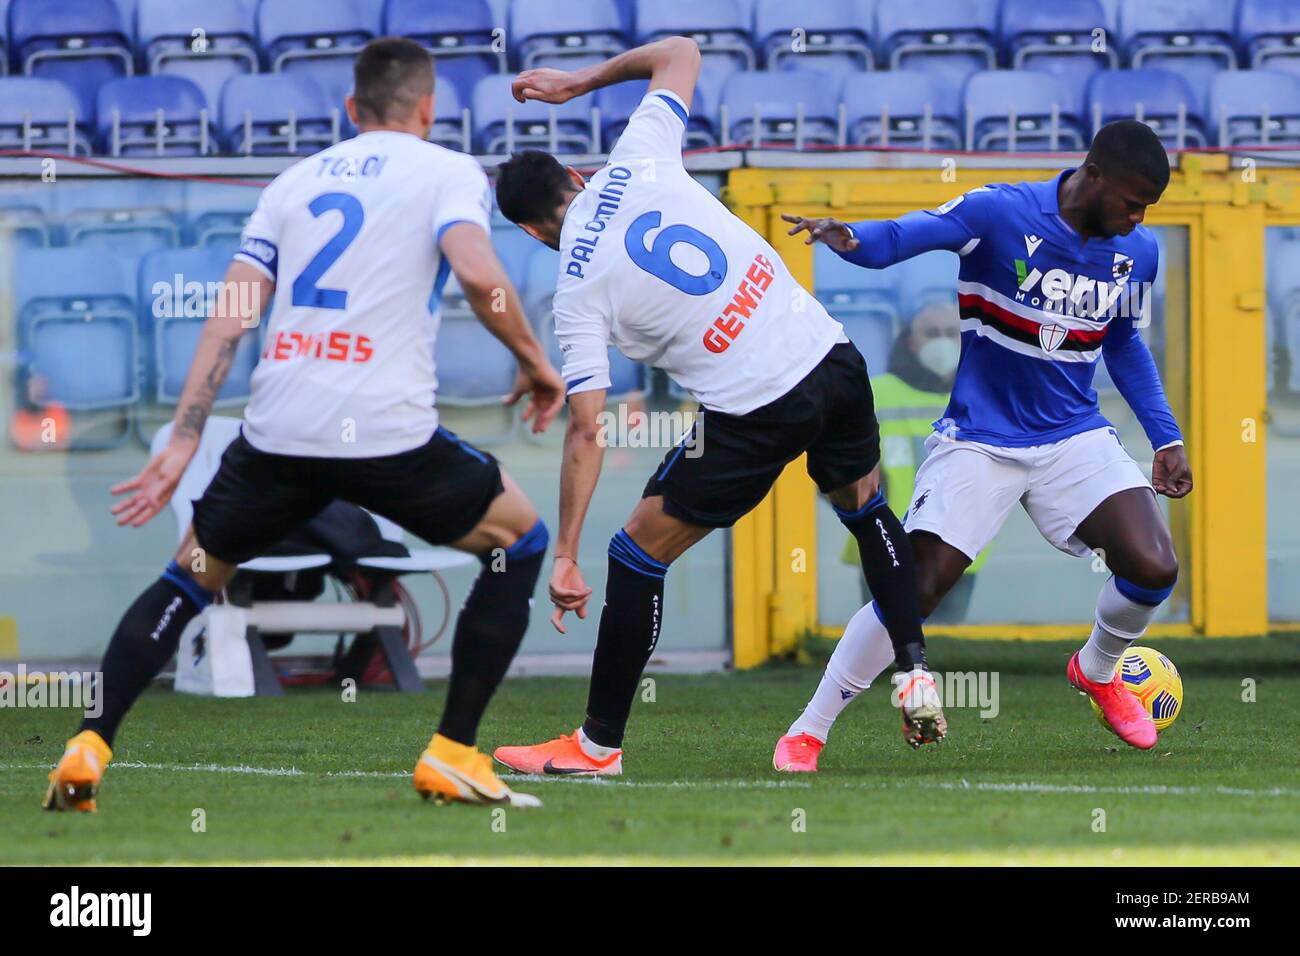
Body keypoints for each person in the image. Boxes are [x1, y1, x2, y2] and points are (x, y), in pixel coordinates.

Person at [43, 38, 565, 812]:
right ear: (428, 109)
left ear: (350, 111)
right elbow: (480, 274)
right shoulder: (449, 170)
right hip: (386, 434)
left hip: (278, 430)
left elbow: (231, 315)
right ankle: (454, 753)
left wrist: (185, 434)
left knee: (190, 576)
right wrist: (533, 360)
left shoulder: (291, 182)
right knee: (519, 542)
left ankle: (87, 746)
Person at [488, 36, 944, 779]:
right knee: (866, 510)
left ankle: (596, 747)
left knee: (635, 552)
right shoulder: (638, 154)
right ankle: (916, 668)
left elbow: (586, 425)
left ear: (533, 232)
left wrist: (565, 551)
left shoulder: (574, 288)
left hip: (757, 408)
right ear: (575, 174)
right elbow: (681, 50)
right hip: (831, 358)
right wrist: (580, 83)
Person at [777, 120, 1193, 770]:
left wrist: (1166, 436)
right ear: (1095, 175)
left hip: (1073, 434)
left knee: (1154, 565)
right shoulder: (1000, 212)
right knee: (914, 591)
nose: (1139, 217)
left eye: (1148, 209)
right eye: (1133, 201)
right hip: (980, 439)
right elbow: (903, 236)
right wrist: (849, 237)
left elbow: (1123, 341)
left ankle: (1098, 671)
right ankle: (809, 728)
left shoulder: (1137, 252)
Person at [840, 301, 987, 622]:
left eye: (951, 333)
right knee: (884, 645)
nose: (942, 341)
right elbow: (834, 466)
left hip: (957, 546)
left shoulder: (983, 399)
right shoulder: (874, 394)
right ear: (910, 340)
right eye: (932, 333)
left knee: (947, 652)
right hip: (883, 545)